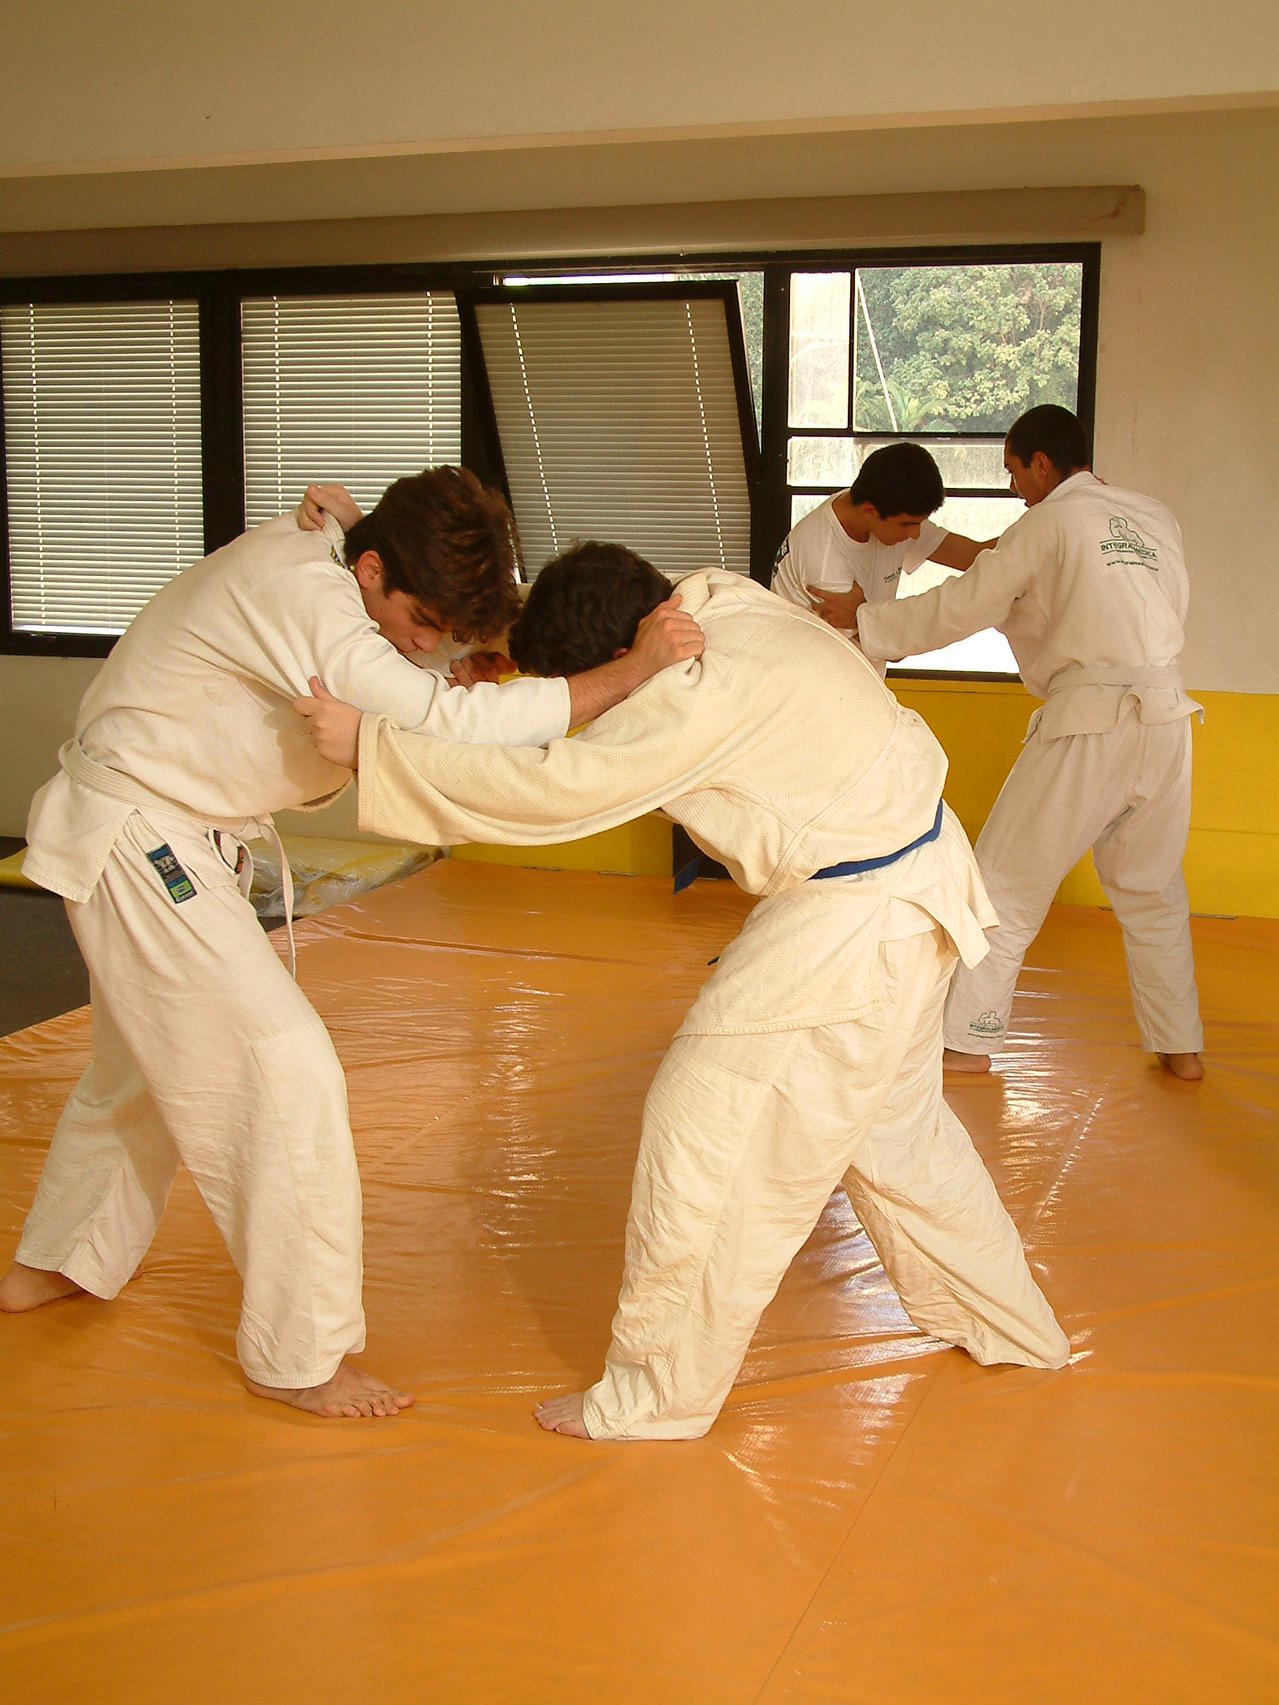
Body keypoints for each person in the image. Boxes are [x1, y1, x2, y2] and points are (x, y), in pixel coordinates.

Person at [294, 543, 1071, 1442]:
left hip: (855, 928)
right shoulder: (718, 597)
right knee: (899, 1142)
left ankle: (654, 1396)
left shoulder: (692, 694)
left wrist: (373, 748)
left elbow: (554, 791)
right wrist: (513, 654)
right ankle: (1013, 1326)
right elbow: (590, 647)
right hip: (913, 888)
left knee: (706, 1134)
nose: (600, 705)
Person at [0, 469, 704, 1422]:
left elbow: (418, 663)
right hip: (139, 836)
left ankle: (60, 1261)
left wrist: (443, 661)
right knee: (285, 1068)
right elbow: (447, 719)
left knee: (140, 1074)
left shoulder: (342, 563)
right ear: (370, 570)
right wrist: (627, 672)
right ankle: (299, 1356)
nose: (428, 645)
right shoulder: (306, 592)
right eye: (421, 621)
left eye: (444, 633)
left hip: (179, 835)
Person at [849, 406, 1204, 1081]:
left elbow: (965, 604)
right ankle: (1179, 1046)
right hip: (1167, 716)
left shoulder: (1046, 524)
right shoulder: (1152, 516)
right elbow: (1138, 607)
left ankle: (967, 1039)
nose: (1012, 485)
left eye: (1013, 470)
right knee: (1153, 890)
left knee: (1004, 884)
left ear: (1040, 462)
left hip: (1090, 720)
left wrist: (866, 624)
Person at [772, 441, 992, 673]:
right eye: (908, 524)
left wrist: (1031, 536)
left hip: (856, 684)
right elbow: (890, 648)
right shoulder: (824, 560)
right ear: (869, 511)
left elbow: (973, 555)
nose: (915, 534)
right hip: (816, 687)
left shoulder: (887, 511)